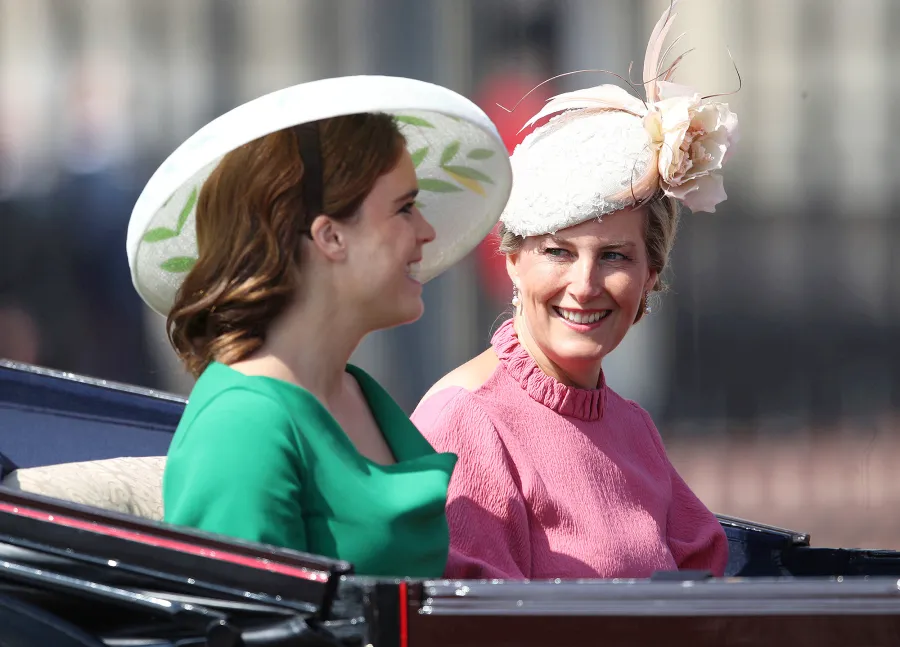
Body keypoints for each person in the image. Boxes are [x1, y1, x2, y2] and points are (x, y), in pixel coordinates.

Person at [124, 76, 512, 577]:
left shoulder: (357, 392)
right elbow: (249, 614)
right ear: (330, 236)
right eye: (404, 208)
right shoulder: (243, 424)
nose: (427, 231)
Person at [411, 1, 738, 579]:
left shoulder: (633, 427)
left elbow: (705, 587)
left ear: (651, 274)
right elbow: (475, 619)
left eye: (614, 256)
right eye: (558, 252)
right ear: (512, 260)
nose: (584, 286)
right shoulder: (465, 422)